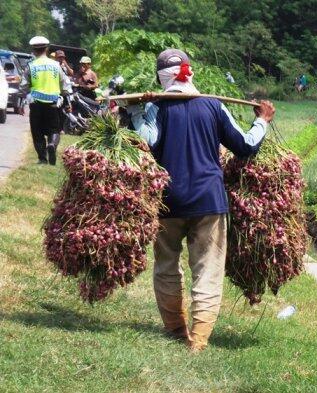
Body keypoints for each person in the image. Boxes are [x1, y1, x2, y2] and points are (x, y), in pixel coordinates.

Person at [127, 49, 276, 352]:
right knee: (207, 268)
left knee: (166, 264)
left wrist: (133, 112)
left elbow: (147, 142)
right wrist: (262, 121)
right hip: (208, 199)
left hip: (168, 200)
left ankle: (175, 329)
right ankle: (199, 340)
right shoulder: (213, 106)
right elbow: (245, 146)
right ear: (189, 73)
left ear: (161, 78)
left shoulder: (156, 108)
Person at [19, 36, 72, 165]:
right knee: (54, 130)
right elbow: (65, 85)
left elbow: (23, 87)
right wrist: (66, 99)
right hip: (54, 104)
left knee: (37, 132)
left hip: (36, 104)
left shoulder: (31, 66)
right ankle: (52, 144)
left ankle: (42, 159)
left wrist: (25, 95)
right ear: (47, 49)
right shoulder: (56, 65)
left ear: (33, 50)